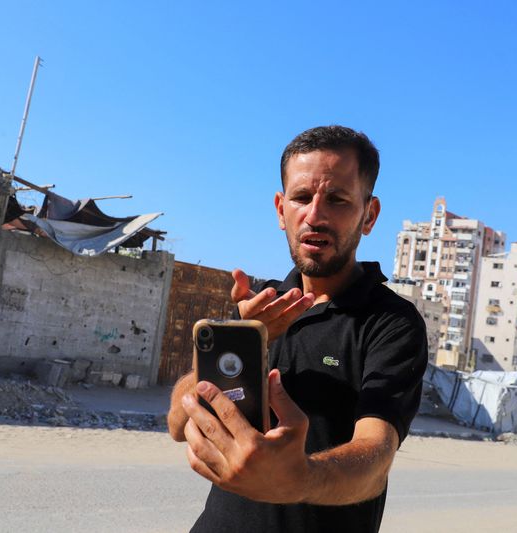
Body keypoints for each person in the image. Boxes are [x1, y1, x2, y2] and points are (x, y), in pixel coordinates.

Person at [167, 125, 428, 532]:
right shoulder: (261, 307)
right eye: (302, 197)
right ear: (280, 209)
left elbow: (375, 458)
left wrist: (298, 479)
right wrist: (243, 336)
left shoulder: (391, 323)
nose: (315, 215)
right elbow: (178, 425)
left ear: (369, 215)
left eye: (338, 199)